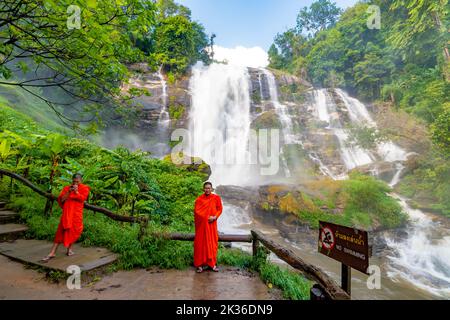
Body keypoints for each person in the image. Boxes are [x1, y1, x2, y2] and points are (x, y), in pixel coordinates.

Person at [42, 173, 90, 262]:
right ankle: (52, 252)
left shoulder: (84, 188)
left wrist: (76, 192)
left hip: (76, 215)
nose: (75, 183)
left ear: (81, 181)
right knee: (60, 232)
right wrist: (69, 192)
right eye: (74, 181)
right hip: (67, 214)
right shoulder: (66, 188)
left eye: (77, 182)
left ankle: (69, 250)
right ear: (72, 180)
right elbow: (62, 200)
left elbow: (82, 198)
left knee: (74, 231)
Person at [193, 181, 223, 273]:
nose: (207, 190)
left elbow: (220, 209)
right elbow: (197, 212)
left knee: (212, 244)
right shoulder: (199, 199)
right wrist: (206, 217)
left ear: (211, 189)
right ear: (203, 189)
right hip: (202, 227)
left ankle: (212, 264)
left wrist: (215, 217)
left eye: (209, 188)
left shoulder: (216, 198)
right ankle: (199, 265)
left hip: (211, 225)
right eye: (206, 188)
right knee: (200, 244)